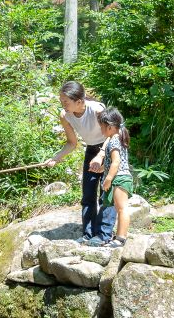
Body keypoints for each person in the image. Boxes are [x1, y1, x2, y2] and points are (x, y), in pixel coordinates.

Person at [44, 81, 107, 244]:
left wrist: (101, 155)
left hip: (109, 148)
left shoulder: (97, 110)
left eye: (65, 102)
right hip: (91, 149)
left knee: (105, 193)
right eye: (61, 101)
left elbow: (113, 134)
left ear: (79, 101)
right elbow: (72, 143)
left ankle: (103, 235)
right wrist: (56, 158)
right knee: (88, 194)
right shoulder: (65, 115)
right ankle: (88, 234)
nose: (62, 105)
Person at [96, 106, 134, 248]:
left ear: (110, 127)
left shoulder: (114, 140)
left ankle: (121, 238)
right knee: (119, 208)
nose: (101, 130)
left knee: (122, 208)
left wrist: (108, 179)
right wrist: (101, 169)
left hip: (120, 178)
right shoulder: (117, 138)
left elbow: (116, 162)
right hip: (119, 176)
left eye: (102, 127)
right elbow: (112, 162)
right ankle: (119, 237)